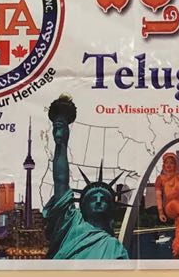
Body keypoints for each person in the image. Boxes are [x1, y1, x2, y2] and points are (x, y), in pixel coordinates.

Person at [43, 95, 130, 259]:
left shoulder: (115, 248)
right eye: (93, 198)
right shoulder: (71, 225)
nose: (98, 201)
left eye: (103, 199)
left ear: (111, 208)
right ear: (82, 206)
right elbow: (60, 181)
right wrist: (61, 144)